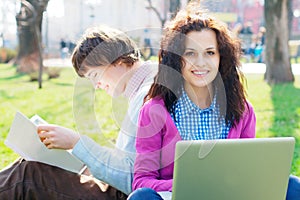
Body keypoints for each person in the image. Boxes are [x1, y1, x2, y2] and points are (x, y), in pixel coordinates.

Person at [128, 3, 300, 200]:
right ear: (176, 59)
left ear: (221, 58)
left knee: (293, 186)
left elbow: (246, 171)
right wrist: (187, 184)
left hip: (229, 196)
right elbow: (142, 181)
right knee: (141, 197)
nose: (200, 62)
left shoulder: (241, 110)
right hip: (177, 197)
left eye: (210, 52)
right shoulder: (154, 111)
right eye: (190, 53)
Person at [0, 25, 157, 199]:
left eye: (95, 76)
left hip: (124, 194)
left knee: (28, 175)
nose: (97, 86)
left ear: (117, 60)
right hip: (119, 189)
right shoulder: (147, 88)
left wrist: (77, 143)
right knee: (30, 167)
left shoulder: (148, 96)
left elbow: (134, 180)